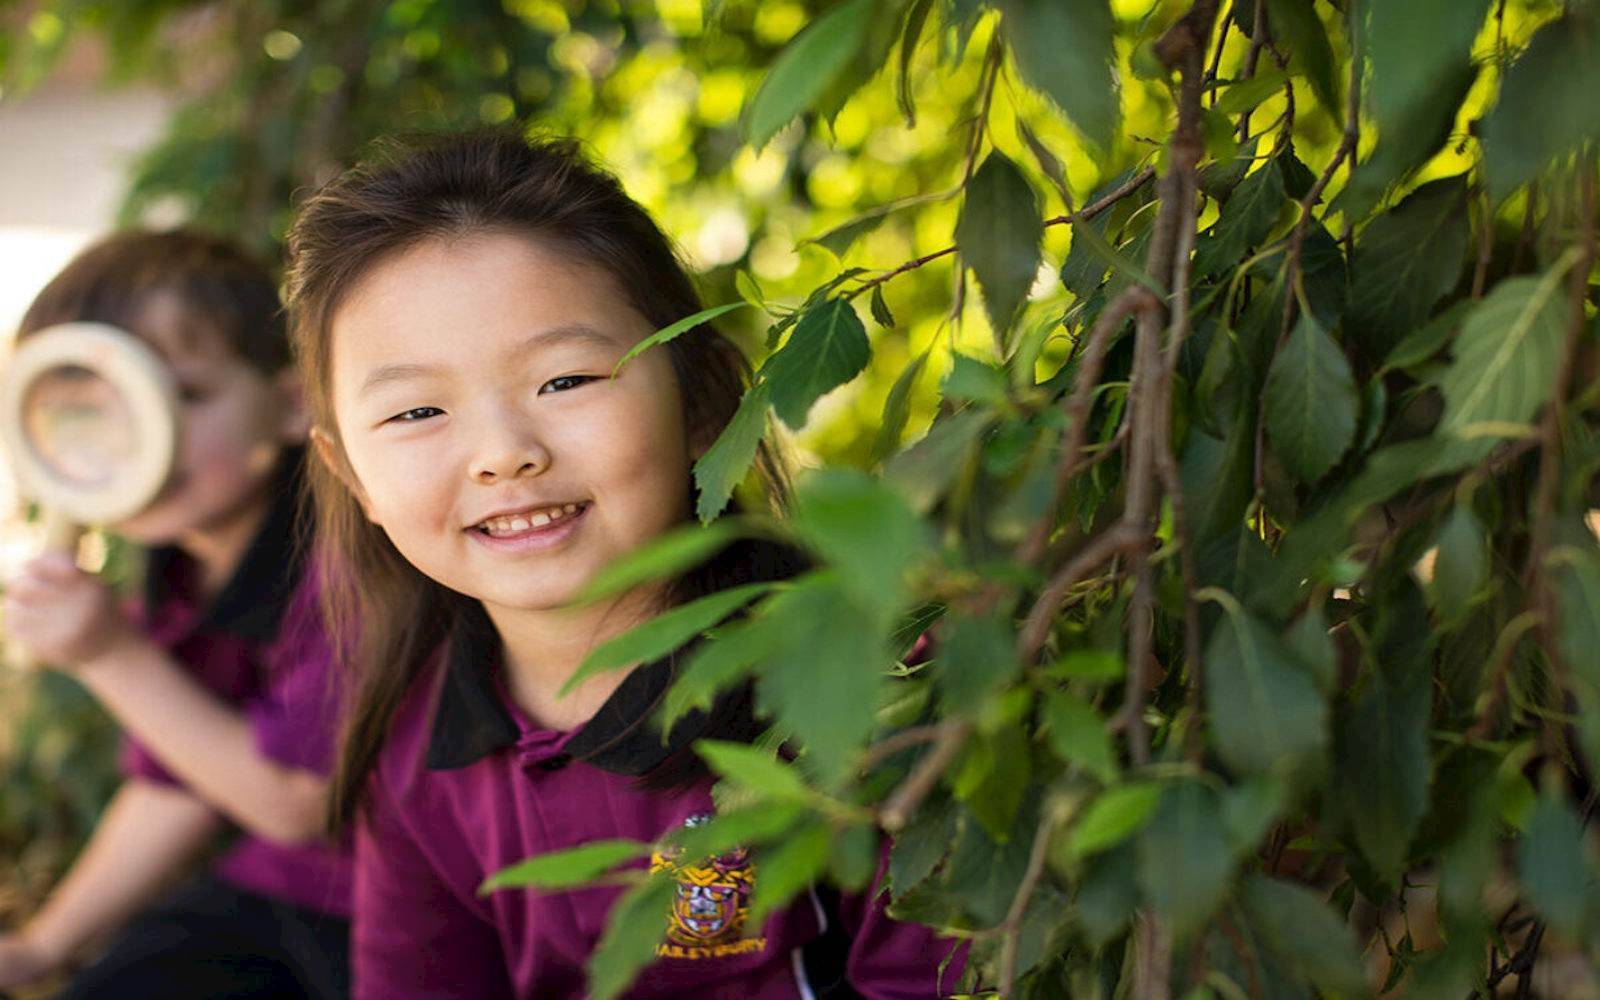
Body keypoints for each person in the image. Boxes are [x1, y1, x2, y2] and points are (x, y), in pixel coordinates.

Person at [286, 130, 958, 998]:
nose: (503, 453)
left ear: (707, 401)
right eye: (417, 411)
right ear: (353, 477)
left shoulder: (873, 682)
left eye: (564, 381)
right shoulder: (420, 757)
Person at [0, 230, 352, 998]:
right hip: (276, 888)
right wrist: (38, 948)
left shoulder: (347, 564)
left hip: (403, 913)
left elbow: (297, 802)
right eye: (98, 409)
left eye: (183, 396)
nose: (145, 437)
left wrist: (110, 656)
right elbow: (182, 778)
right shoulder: (181, 564)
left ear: (292, 405)